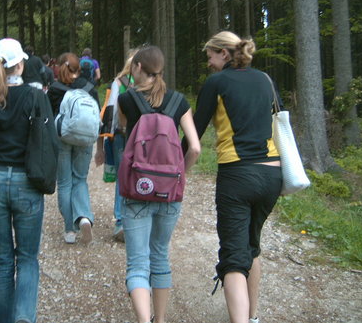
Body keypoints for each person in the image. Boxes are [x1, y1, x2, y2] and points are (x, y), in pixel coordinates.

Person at [191, 31, 282, 323]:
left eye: (210, 56)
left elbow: (196, 128)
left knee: (233, 257)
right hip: (272, 175)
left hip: (237, 174)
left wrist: (174, 164)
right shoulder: (266, 79)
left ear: (224, 54)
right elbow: (280, 119)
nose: (209, 63)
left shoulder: (217, 83)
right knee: (251, 246)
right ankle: (252, 317)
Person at [0, 38, 50, 323]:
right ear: (21, 64)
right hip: (26, 183)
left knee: (3, 260)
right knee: (26, 258)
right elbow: (47, 142)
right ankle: (24, 318)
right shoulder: (34, 96)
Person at [117, 46, 201, 323]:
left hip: (137, 190)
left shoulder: (127, 100)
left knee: (138, 262)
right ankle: (160, 319)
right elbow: (196, 148)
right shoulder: (179, 101)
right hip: (169, 192)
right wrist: (180, 175)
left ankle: (144, 320)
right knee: (160, 255)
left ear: (138, 67)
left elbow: (122, 136)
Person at [47, 52, 100, 244]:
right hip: (85, 140)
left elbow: (49, 117)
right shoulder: (90, 88)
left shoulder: (54, 90)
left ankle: (69, 229)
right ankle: (84, 216)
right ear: (80, 68)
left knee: (64, 183)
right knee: (80, 180)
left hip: (62, 138)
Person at [94, 48, 138, 242]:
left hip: (121, 135)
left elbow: (110, 111)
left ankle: (120, 221)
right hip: (143, 137)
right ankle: (137, 220)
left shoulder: (118, 82)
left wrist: (105, 140)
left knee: (123, 177)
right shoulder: (150, 82)